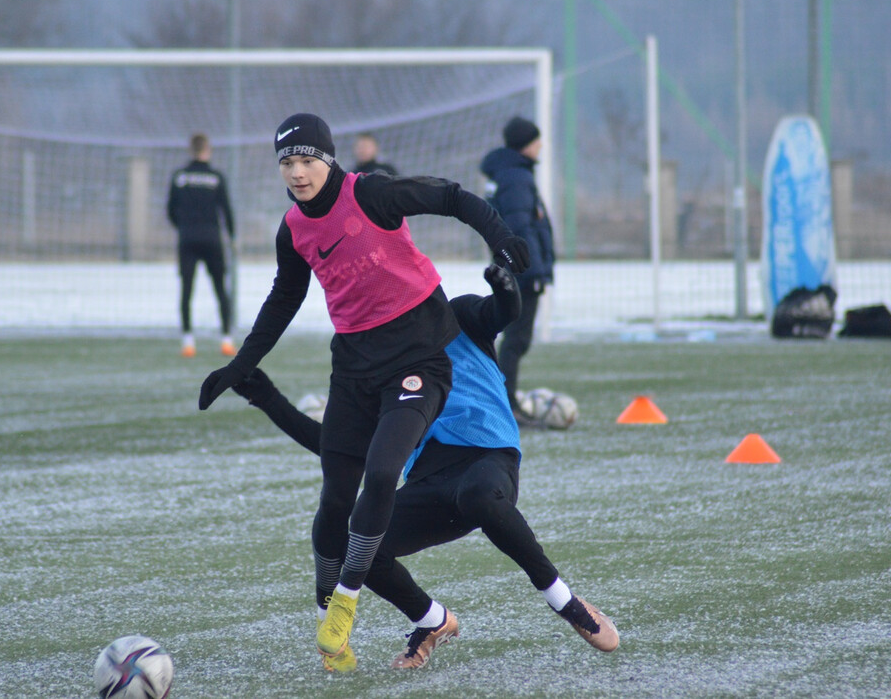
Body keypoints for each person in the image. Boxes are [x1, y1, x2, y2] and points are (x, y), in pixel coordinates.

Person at [198, 113, 530, 670]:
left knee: (377, 482)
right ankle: (359, 614)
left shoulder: (371, 194)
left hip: (412, 359)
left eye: (307, 160)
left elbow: (449, 197)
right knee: (335, 499)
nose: (298, 173)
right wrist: (241, 366)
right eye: (287, 162)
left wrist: (502, 237)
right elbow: (283, 299)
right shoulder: (293, 229)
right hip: (353, 364)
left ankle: (346, 607)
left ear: (328, 160)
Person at [231, 264, 618, 672]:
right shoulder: (382, 362)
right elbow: (335, 448)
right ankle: (432, 621)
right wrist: (266, 397)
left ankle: (565, 602)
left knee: (479, 495)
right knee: (360, 548)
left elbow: (503, 313)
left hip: (488, 459)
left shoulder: (459, 316)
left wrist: (505, 289)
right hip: (430, 482)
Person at [480, 116, 556, 423]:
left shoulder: (507, 172)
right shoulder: (516, 177)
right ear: (526, 143)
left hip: (512, 268)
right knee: (516, 340)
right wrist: (532, 271)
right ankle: (505, 406)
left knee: (514, 340)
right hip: (522, 271)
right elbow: (520, 226)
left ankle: (502, 403)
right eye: (536, 140)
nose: (540, 146)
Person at [167, 133, 236, 358]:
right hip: (212, 239)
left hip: (188, 239)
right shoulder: (216, 177)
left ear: (190, 150)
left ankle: (188, 342)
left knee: (187, 289)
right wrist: (232, 237)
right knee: (219, 288)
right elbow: (226, 210)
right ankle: (226, 339)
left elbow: (170, 209)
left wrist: (184, 227)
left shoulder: (179, 177)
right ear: (207, 150)